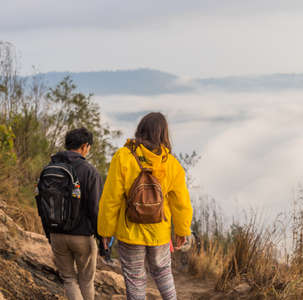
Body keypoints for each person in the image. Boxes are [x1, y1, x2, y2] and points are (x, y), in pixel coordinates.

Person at [98, 112, 193, 300]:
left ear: (141, 129)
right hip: (159, 232)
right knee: (163, 272)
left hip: (130, 231)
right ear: (164, 134)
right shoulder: (172, 163)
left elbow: (111, 198)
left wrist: (105, 231)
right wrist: (182, 231)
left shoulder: (124, 156)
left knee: (135, 279)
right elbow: (181, 203)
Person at [39, 127, 103, 300]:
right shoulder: (90, 171)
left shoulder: (50, 168)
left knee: (69, 279)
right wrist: (102, 237)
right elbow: (95, 208)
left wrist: (49, 233)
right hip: (82, 236)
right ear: (84, 146)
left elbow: (41, 202)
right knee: (86, 281)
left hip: (56, 234)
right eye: (88, 147)